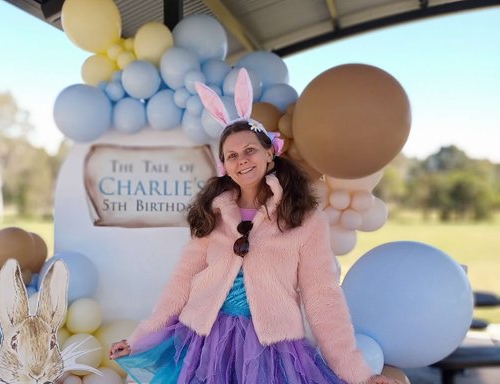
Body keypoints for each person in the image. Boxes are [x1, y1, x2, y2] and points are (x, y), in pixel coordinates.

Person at [109, 69, 401, 384]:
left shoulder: (304, 220)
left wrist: (359, 375)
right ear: (224, 165)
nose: (242, 160)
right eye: (232, 155)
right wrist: (140, 339)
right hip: (205, 345)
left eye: (250, 150)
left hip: (271, 350)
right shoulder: (213, 214)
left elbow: (323, 298)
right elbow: (180, 283)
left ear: (269, 154)